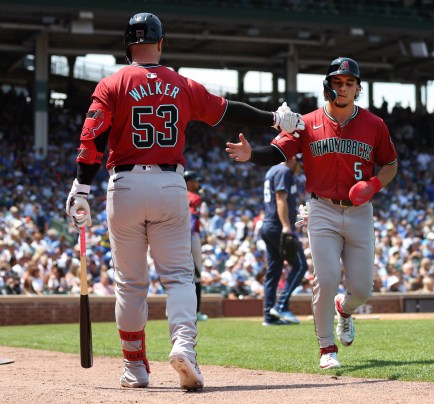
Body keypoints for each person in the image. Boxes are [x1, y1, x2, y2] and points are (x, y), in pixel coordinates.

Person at [64, 12, 304, 391]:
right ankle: (184, 348)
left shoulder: (110, 84)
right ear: (161, 43)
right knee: (178, 277)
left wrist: (81, 187)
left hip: (123, 184)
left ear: (127, 45)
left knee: (129, 283)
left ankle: (135, 368)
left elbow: (91, 140)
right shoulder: (182, 84)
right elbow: (229, 111)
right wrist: (275, 118)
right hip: (169, 185)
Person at [226, 57, 398, 369]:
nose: (343, 88)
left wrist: (373, 184)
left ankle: (344, 311)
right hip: (321, 209)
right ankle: (326, 349)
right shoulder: (307, 122)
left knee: (362, 289)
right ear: (328, 86)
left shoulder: (375, 125)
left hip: (360, 211)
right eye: (337, 82)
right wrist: (253, 155)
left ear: (358, 88)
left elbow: (390, 164)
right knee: (326, 278)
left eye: (349, 83)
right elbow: (278, 151)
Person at [261, 154, 308, 326]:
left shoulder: (272, 170)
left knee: (274, 272)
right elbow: (281, 199)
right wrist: (286, 227)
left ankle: (269, 316)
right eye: (300, 164)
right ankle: (280, 306)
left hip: (269, 225)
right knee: (300, 265)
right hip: (277, 226)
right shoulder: (284, 170)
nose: (301, 169)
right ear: (293, 159)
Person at [184, 170, 208, 321]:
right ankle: (196, 312)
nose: (198, 184)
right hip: (190, 236)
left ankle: (173, 311)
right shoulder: (195, 197)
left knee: (177, 275)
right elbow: (192, 219)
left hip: (171, 236)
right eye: (195, 181)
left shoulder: (173, 194)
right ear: (189, 181)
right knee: (196, 275)